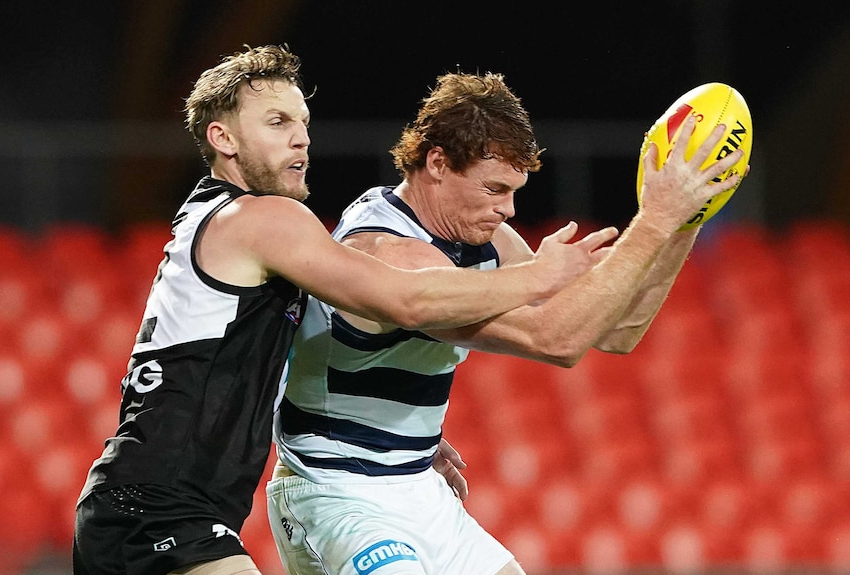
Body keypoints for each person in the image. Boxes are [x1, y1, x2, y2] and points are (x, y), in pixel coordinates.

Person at [71, 46, 607, 575]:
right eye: (278, 121)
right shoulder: (262, 219)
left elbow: (254, 357)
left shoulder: (227, 223)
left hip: (155, 504)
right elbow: (406, 298)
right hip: (157, 509)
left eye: (303, 120)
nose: (301, 136)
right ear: (223, 138)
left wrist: (399, 434)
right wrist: (537, 275)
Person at [266, 71, 748, 575]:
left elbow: (616, 331)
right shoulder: (392, 252)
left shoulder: (484, 242)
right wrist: (652, 220)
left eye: (515, 190)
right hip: (338, 495)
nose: (509, 209)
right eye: (494, 188)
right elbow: (556, 339)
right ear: (436, 162)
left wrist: (684, 219)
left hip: (418, 488)